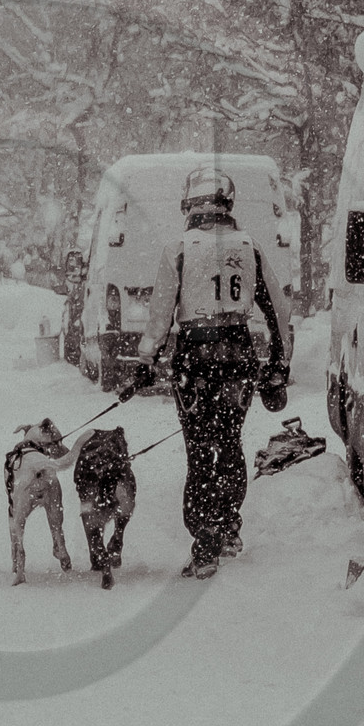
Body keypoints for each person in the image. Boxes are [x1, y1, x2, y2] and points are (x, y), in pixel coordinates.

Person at [128, 165, 291, 579]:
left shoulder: (178, 249)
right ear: (228, 203)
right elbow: (278, 310)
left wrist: (147, 361)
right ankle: (229, 525)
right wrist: (279, 363)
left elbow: (160, 314)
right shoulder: (250, 247)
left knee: (199, 450)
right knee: (230, 442)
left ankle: (204, 542)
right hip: (238, 355)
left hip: (195, 360)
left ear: (189, 205)